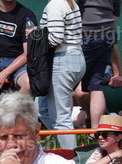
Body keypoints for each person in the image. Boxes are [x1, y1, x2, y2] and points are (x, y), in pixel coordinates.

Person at [40, 0, 85, 150]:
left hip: (63, 59)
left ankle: (71, 159)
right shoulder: (70, 2)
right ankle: (60, 142)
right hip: (75, 57)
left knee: (61, 118)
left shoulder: (56, 4)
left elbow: (56, 38)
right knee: (41, 108)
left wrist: (34, 36)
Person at [78, 0, 122, 129]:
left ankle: (62, 131)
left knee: (69, 87)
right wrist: (118, 73)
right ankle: (95, 130)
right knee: (95, 86)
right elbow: (115, 16)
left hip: (85, 33)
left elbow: (69, 7)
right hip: (106, 36)